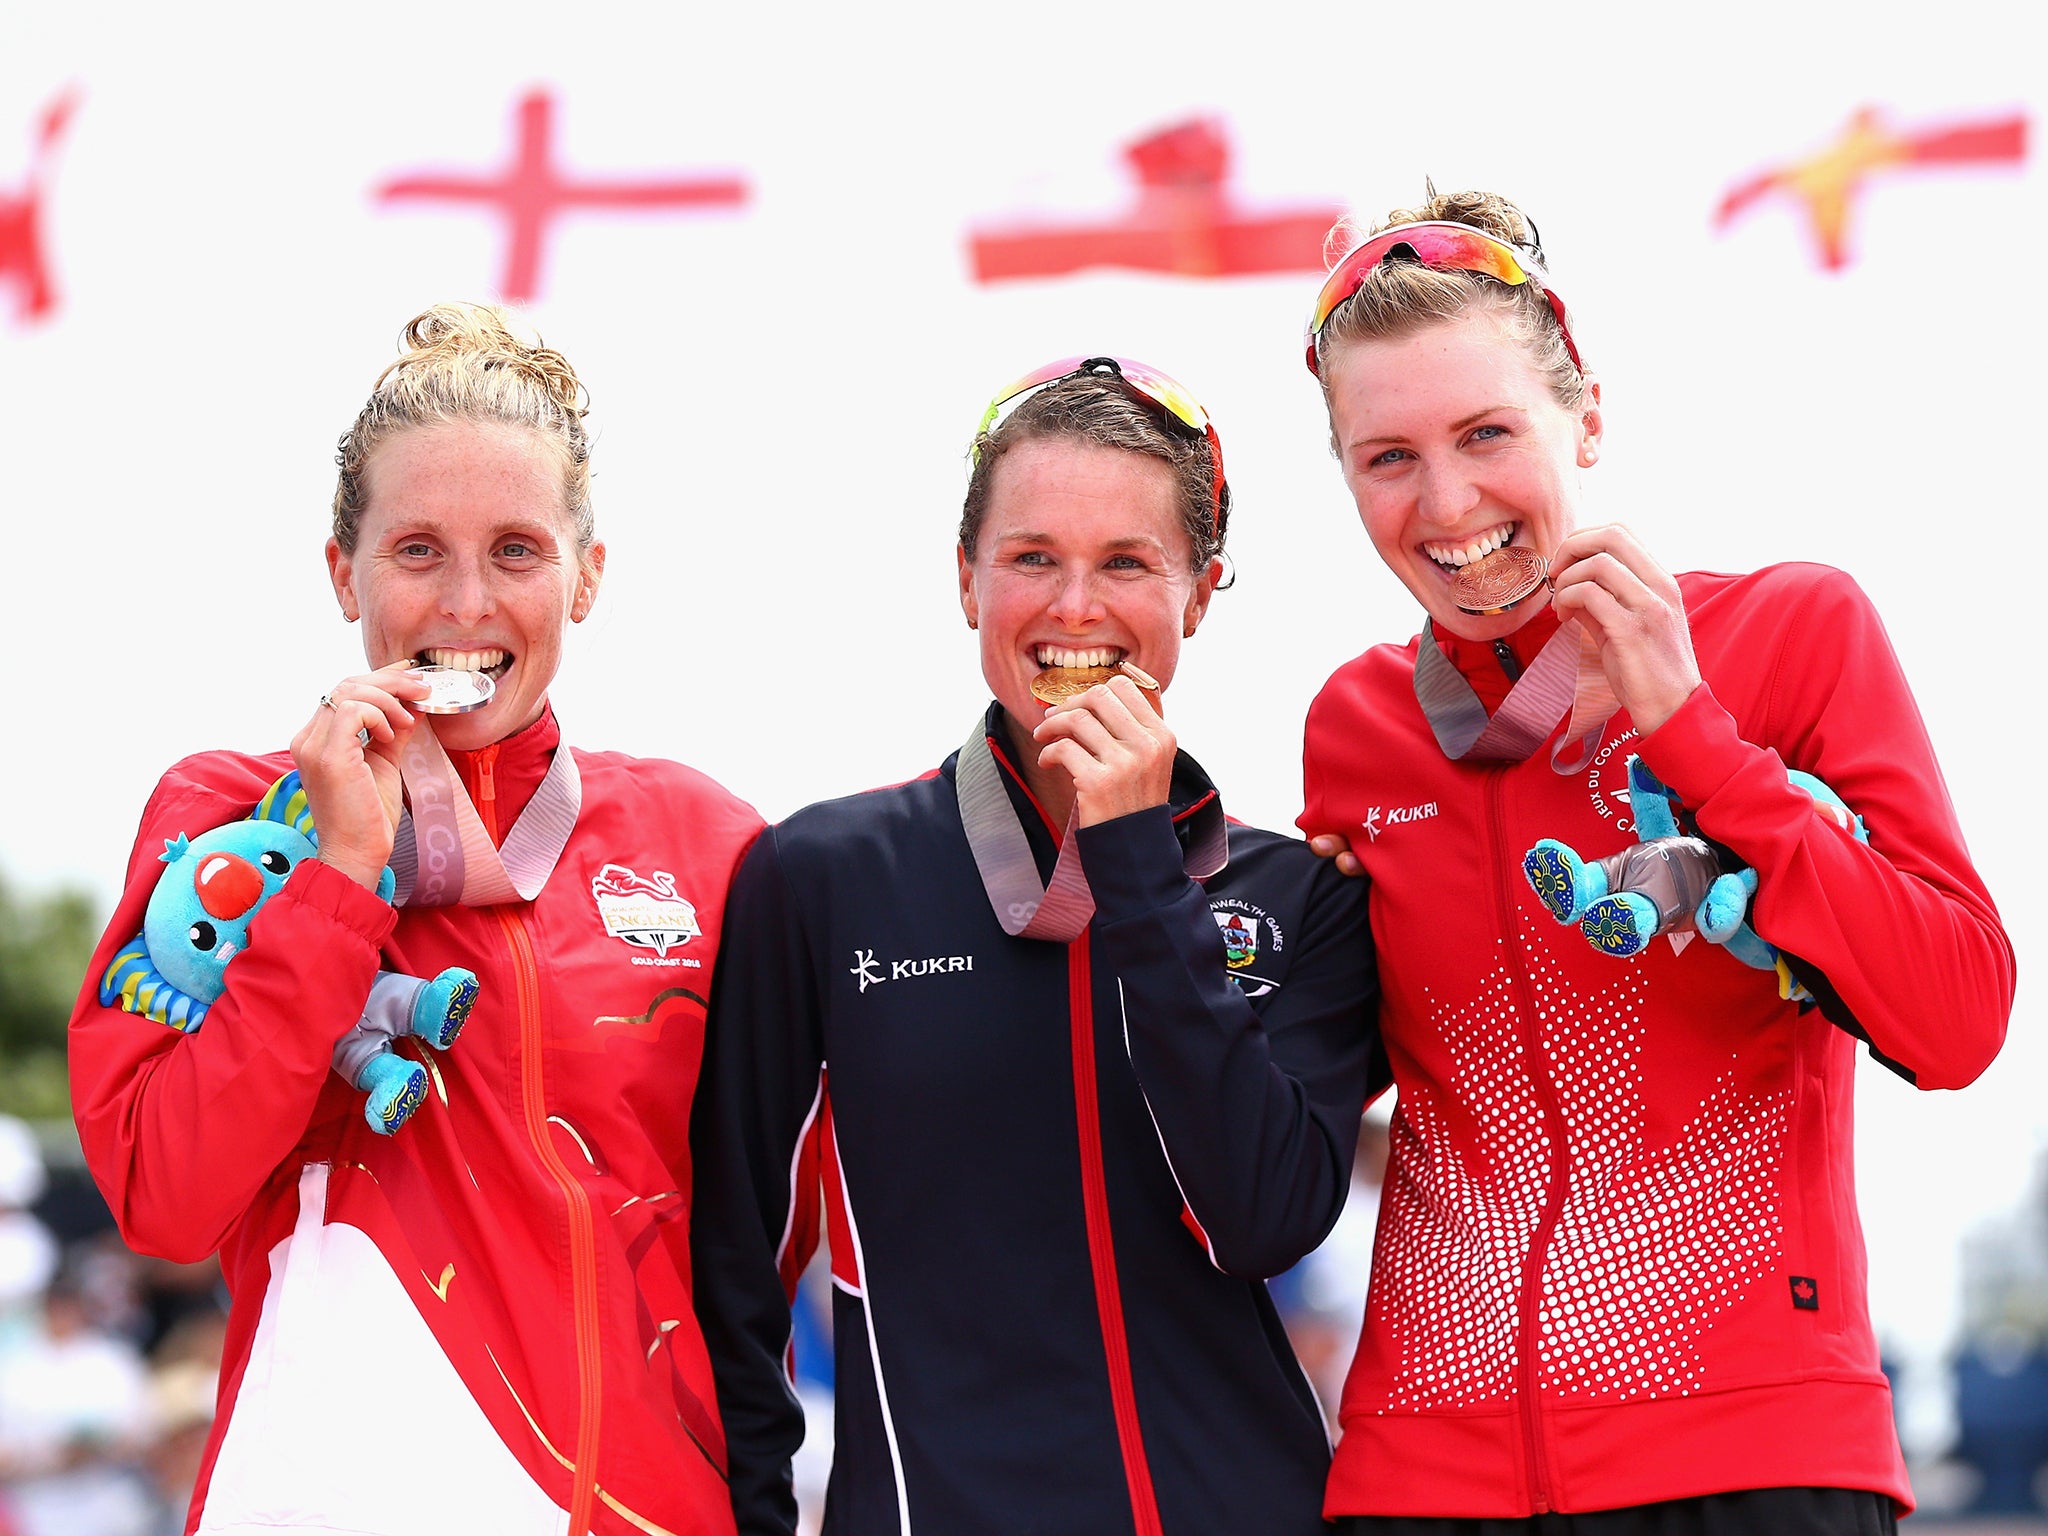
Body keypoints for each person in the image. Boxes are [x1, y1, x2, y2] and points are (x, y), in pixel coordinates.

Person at [1296, 189, 2016, 1533]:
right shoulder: (1355, 731)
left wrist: (1695, 733)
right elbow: (1373, 1105)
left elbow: (1957, 1015)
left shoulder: (1791, 633)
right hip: (1422, 1475)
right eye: (1385, 457)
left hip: (1749, 1459)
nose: (1447, 502)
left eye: (1487, 433)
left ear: (1589, 418)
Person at [68, 304, 763, 1536]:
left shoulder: (701, 843)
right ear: (342, 570)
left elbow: (786, 1218)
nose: (466, 603)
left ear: (586, 574)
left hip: (634, 1507)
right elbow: (162, 1197)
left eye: (515, 549)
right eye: (415, 551)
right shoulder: (231, 821)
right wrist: (337, 876)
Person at [690, 355, 1382, 1535]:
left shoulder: (1299, 900)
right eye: (1029, 558)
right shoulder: (822, 881)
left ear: (1199, 592)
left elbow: (1260, 1218)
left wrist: (1138, 875)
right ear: (965, 580)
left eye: (1125, 562)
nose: (1073, 609)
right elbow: (729, 1280)